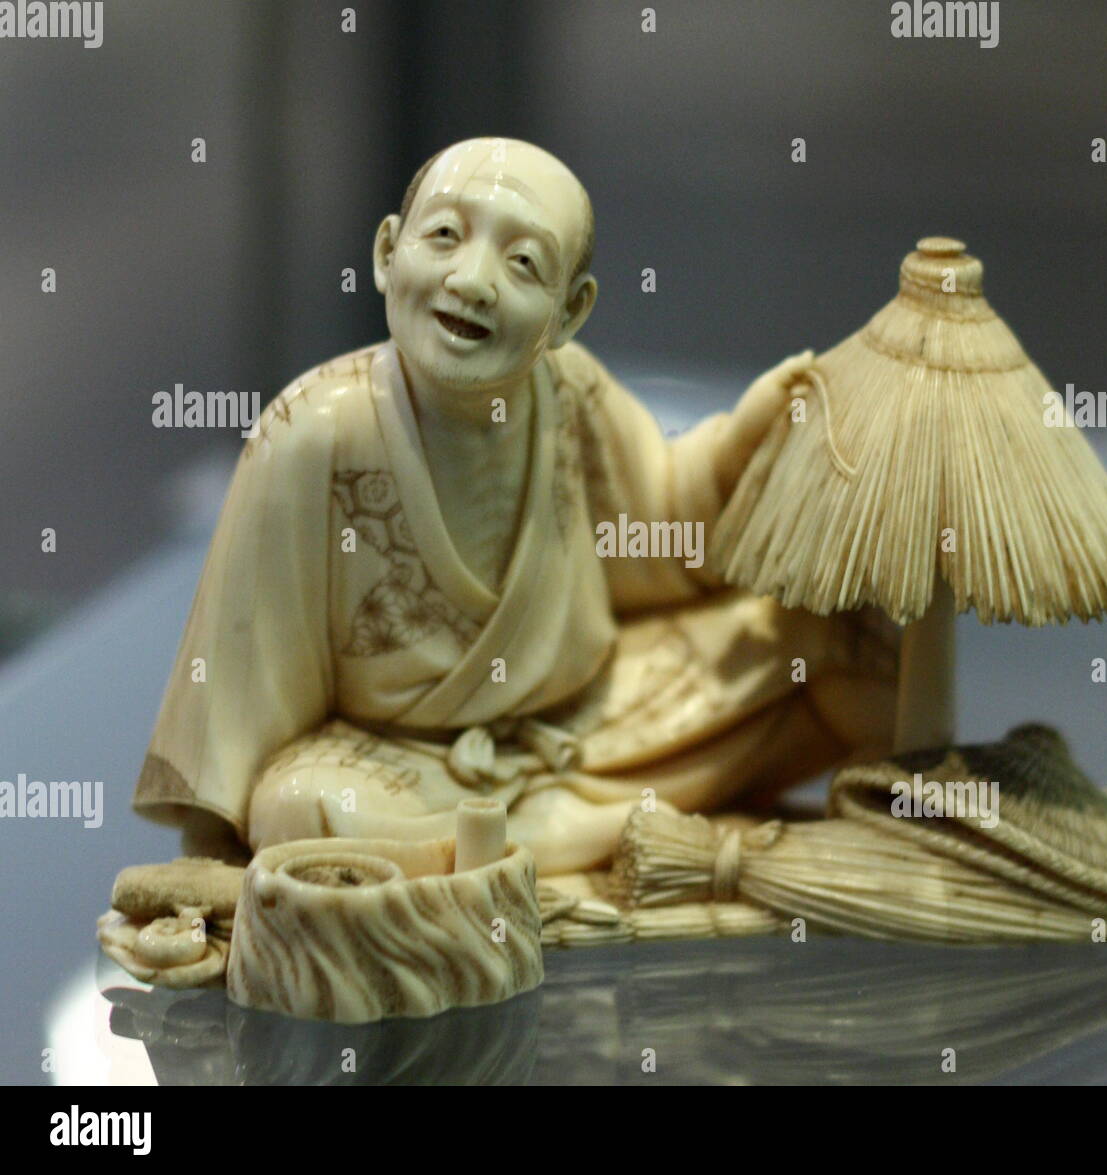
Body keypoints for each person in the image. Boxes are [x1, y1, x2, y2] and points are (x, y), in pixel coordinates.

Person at [134, 137, 898, 875]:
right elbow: (239, 675)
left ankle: (553, 837)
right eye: (444, 237)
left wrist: (743, 440)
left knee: (836, 635)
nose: (471, 281)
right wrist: (214, 852)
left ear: (571, 314)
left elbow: (661, 522)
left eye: (523, 263)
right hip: (401, 767)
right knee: (300, 809)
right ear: (385, 253)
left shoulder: (571, 390)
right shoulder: (312, 436)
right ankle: (597, 837)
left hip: (597, 724)